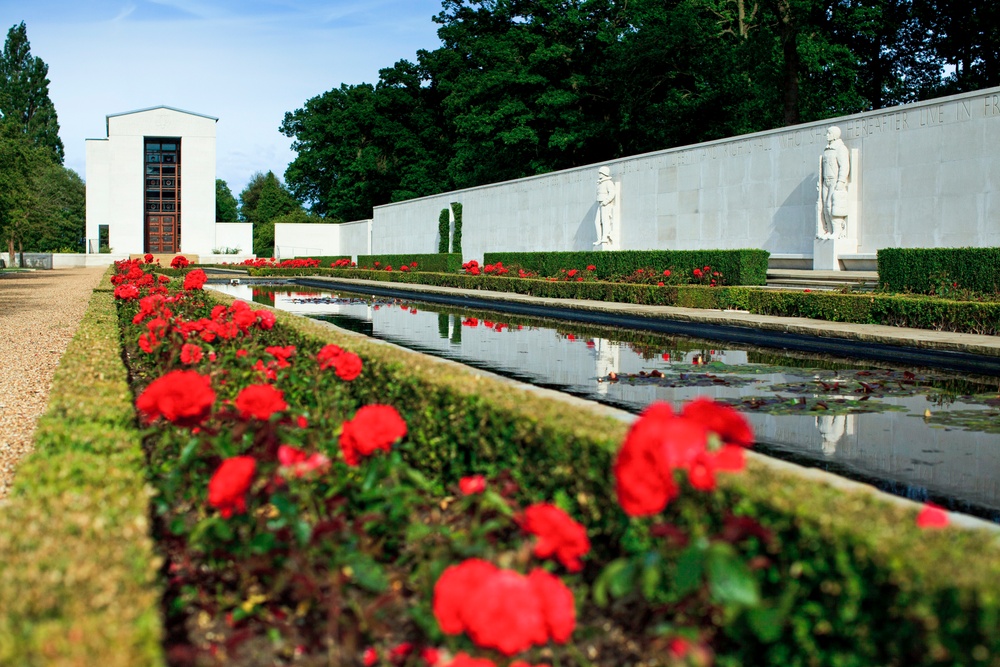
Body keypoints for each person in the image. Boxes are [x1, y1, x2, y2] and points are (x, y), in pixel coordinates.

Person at [818, 126, 850, 239]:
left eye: (829, 133)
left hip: (834, 181)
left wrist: (841, 181)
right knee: (824, 207)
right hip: (825, 182)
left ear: (835, 135)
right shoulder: (827, 150)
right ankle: (830, 231)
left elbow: (844, 166)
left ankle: (837, 231)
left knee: (831, 206)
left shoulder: (840, 148)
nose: (827, 135)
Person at [595, 166, 615, 246]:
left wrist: (605, 202)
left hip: (605, 204)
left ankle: (604, 238)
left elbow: (612, 193)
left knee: (605, 220)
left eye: (600, 173)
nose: (599, 174)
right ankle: (599, 239)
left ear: (604, 173)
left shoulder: (608, 182)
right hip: (600, 204)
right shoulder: (600, 183)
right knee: (596, 222)